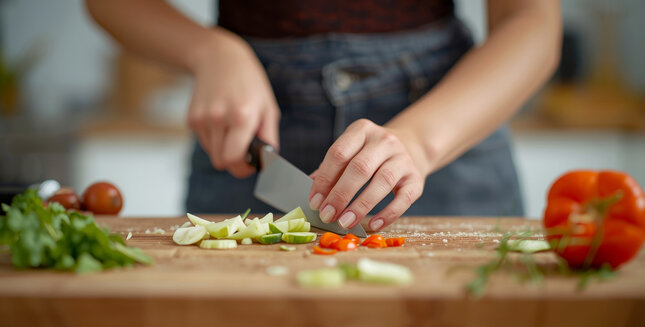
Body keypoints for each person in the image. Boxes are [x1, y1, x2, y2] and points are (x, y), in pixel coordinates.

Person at [86, 0, 561, 231]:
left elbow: (533, 21)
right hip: (251, 130)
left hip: (449, 124)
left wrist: (417, 141)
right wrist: (208, 51)